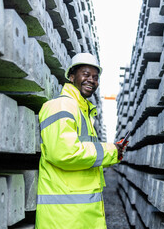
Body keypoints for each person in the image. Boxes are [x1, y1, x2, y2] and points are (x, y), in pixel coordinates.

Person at [35, 52, 126, 229]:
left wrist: (114, 152)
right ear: (71, 76)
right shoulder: (61, 106)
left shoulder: (83, 111)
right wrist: (110, 151)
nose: (92, 80)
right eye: (86, 74)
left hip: (80, 216)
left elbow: (88, 159)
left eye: (95, 77)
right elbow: (64, 153)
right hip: (64, 218)